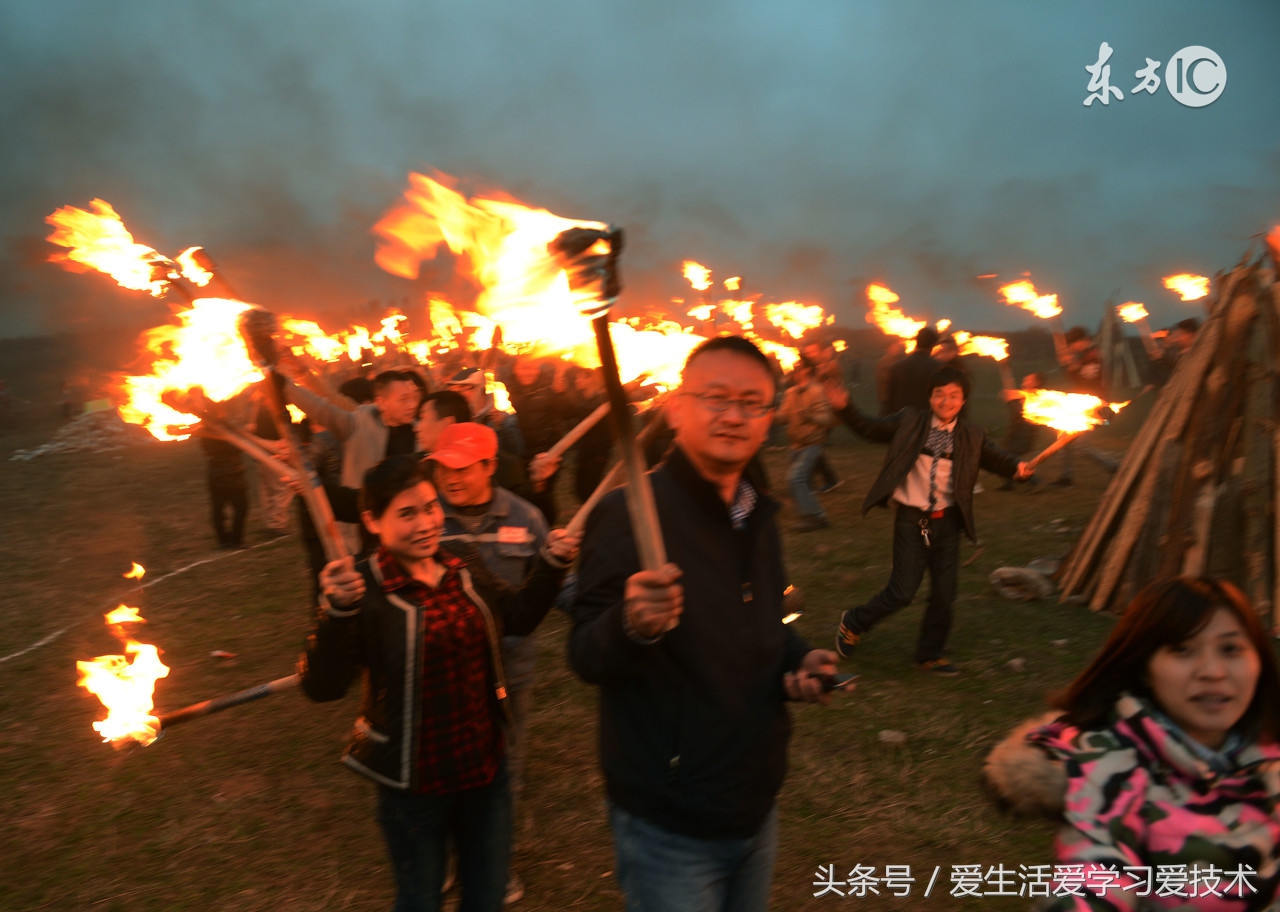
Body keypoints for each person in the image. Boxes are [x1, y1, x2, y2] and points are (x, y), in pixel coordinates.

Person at [569, 335, 841, 912]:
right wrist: (632, 626)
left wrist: (797, 658)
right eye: (716, 397)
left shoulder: (757, 515)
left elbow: (763, 617)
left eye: (752, 402)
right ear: (676, 407)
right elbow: (585, 654)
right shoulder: (628, 515)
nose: (734, 415)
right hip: (671, 818)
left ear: (770, 419)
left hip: (754, 797)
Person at [301, 455, 579, 912]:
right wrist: (335, 614)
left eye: (430, 507)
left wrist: (550, 564)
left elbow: (519, 617)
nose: (426, 523)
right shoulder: (362, 589)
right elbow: (323, 686)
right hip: (414, 786)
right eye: (406, 514)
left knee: (486, 896)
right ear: (372, 520)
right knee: (420, 900)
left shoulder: (462, 564)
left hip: (486, 769)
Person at [984, 577, 1280, 910]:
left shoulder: (1269, 757)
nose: (1213, 671)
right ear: (1144, 668)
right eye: (1182, 650)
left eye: (1231, 649)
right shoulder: (1109, 764)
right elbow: (1095, 873)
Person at [428, 422, 560, 905]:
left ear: (489, 466)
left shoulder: (525, 518)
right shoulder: (425, 519)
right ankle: (441, 857)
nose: (449, 477)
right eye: (442, 467)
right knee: (442, 768)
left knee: (503, 767)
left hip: (509, 671)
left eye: (461, 467)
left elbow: (556, 589)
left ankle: (492, 864)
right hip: (441, 672)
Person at [828, 368, 1031, 675]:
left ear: (963, 401)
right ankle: (854, 621)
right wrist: (847, 408)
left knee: (944, 594)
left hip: (947, 524)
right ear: (930, 397)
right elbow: (870, 429)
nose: (946, 401)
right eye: (939, 394)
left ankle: (929, 653)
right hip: (911, 520)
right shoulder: (910, 422)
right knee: (902, 592)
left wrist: (1017, 467)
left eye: (953, 396)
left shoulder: (971, 435)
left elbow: (995, 459)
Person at [286, 368, 423, 551]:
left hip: (408, 530)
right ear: (382, 403)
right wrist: (282, 384)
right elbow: (319, 407)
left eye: (414, 398)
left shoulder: (420, 434)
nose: (412, 405)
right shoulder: (357, 424)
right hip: (361, 531)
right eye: (403, 399)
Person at [777, 358, 837, 532]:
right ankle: (818, 517)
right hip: (795, 445)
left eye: (798, 367)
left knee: (796, 479)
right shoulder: (790, 393)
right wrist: (770, 413)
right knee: (803, 484)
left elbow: (827, 418)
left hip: (812, 444)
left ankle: (812, 517)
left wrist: (810, 416)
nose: (794, 369)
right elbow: (783, 418)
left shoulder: (817, 391)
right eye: (794, 366)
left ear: (808, 370)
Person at [1054, 327, 1120, 486]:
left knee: (1081, 446)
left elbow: (1089, 384)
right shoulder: (1084, 357)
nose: (1072, 349)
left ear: (1082, 341)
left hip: (1094, 407)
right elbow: (1076, 380)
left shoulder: (1093, 356)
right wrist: (1069, 367)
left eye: (1073, 345)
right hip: (1079, 404)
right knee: (1064, 438)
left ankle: (1115, 467)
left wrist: (1074, 368)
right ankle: (1066, 476)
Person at [885, 326, 940, 414]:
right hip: (927, 420)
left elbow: (889, 402)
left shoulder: (896, 367)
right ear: (932, 345)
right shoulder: (939, 367)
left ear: (917, 342)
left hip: (901, 420)